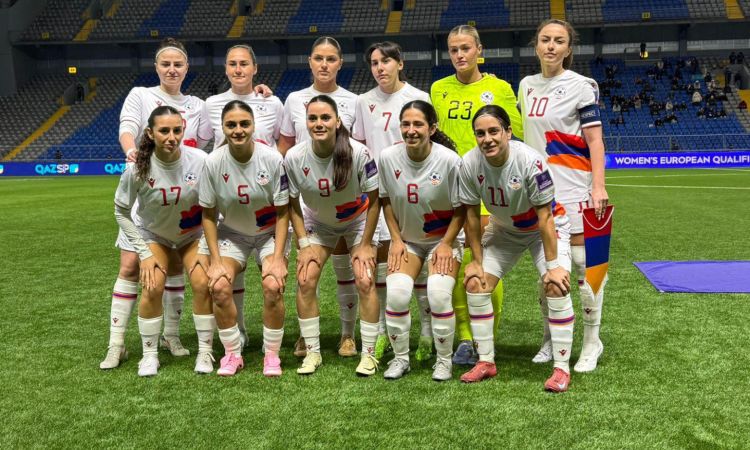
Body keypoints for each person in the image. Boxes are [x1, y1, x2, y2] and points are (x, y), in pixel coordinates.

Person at [101, 37, 212, 370]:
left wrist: (258, 94)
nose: (172, 69)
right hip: (148, 196)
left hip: (183, 196)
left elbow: (212, 136)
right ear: (157, 67)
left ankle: (171, 336)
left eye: (178, 64)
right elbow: (127, 129)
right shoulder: (141, 94)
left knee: (176, 269)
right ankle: (116, 344)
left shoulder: (197, 105)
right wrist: (132, 154)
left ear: (187, 68)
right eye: (166, 64)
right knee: (133, 268)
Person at [459, 105, 573, 390]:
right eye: (480, 133)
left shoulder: (530, 162)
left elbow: (545, 217)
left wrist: (553, 267)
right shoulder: (469, 163)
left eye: (494, 131)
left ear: (508, 132)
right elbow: (471, 216)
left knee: (556, 285)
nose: (487, 139)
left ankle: (561, 368)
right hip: (505, 230)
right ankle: (486, 361)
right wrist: (476, 260)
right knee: (475, 283)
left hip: (543, 229)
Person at [518, 19, 609, 373]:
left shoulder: (583, 86)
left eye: (559, 41)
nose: (551, 46)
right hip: (539, 193)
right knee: (548, 269)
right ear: (536, 45)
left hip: (575, 188)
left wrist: (598, 186)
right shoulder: (526, 85)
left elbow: (595, 141)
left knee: (588, 267)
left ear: (569, 49)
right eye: (545, 40)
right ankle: (549, 338)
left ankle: (591, 342)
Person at [431, 24, 522, 365]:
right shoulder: (438, 89)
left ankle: (486, 337)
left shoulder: (498, 88)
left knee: (482, 260)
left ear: (479, 50)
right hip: (448, 187)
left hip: (487, 186)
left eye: (465, 48)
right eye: (454, 49)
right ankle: (466, 338)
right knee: (456, 263)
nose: (459, 55)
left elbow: (516, 135)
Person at [285, 94, 381, 376]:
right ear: (306, 122)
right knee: (305, 279)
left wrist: (365, 244)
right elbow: (291, 203)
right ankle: (312, 353)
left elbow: (375, 200)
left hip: (357, 221)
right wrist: (304, 243)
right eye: (313, 118)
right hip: (318, 223)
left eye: (325, 117)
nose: (319, 123)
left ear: (338, 121)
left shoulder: (358, 153)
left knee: (364, 278)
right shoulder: (295, 156)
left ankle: (369, 354)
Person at [113, 105, 211, 376]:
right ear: (150, 133)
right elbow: (121, 211)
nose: (171, 137)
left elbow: (214, 206)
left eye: (177, 130)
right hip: (154, 234)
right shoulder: (137, 169)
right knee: (153, 285)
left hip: (191, 234)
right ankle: (149, 355)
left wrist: (205, 246)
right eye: (164, 131)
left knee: (203, 282)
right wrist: (144, 253)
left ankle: (205, 351)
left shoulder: (200, 160)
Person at [352, 41, 433, 362]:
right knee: (385, 266)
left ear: (400, 63)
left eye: (386, 61)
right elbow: (361, 147)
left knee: (419, 266)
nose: (380, 68)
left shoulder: (418, 97)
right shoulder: (363, 102)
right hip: (379, 194)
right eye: (374, 63)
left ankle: (427, 332)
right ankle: (386, 332)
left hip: (414, 192)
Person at [279, 36, 360, 358]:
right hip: (309, 202)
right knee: (306, 272)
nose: (324, 64)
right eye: (318, 58)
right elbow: (284, 146)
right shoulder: (293, 99)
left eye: (330, 58)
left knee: (346, 272)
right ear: (309, 62)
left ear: (340, 63)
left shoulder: (354, 101)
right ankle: (305, 335)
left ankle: (347, 335)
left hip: (346, 201)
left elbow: (360, 149)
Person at [199, 100, 289, 377]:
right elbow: (208, 215)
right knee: (219, 286)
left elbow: (283, 211)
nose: (238, 130)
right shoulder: (213, 162)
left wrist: (278, 258)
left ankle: (271, 355)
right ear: (222, 128)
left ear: (253, 125)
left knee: (273, 285)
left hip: (268, 233)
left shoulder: (272, 159)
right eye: (231, 125)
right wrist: (215, 261)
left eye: (244, 124)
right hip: (233, 233)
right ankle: (232, 354)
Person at [204, 44, 284, 349]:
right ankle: (237, 336)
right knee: (226, 278)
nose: (238, 69)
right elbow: (201, 144)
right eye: (232, 64)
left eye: (244, 63)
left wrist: (273, 175)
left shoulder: (271, 102)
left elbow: (283, 142)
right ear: (225, 68)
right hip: (229, 200)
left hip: (265, 198)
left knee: (274, 280)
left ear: (255, 68)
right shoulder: (211, 104)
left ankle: (273, 344)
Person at [378, 100, 464, 381]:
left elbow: (462, 209)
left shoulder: (449, 160)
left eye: (418, 124)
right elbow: (385, 200)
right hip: (409, 241)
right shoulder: (388, 157)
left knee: (438, 295)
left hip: (444, 239)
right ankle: (401, 359)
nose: (411, 130)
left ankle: (444, 361)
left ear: (432, 128)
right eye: (406, 124)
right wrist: (396, 240)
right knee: (397, 294)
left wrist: (447, 244)